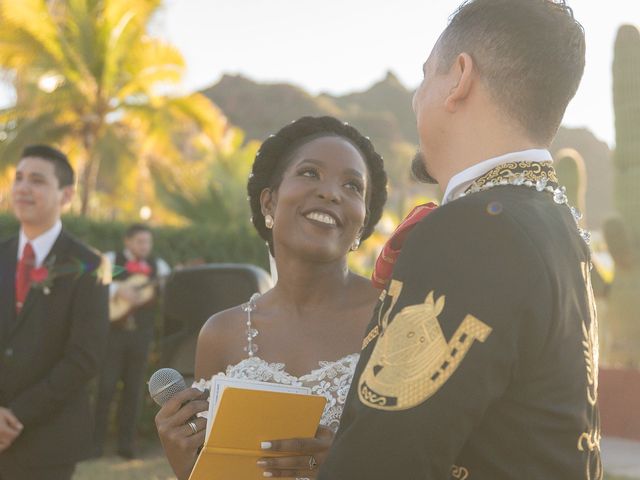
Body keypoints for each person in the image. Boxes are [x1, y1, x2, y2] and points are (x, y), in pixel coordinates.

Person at [320, 1, 603, 479]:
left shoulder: (475, 231)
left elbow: (385, 464)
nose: (415, 98)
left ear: (460, 78)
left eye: (427, 74)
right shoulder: (558, 224)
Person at [154, 116, 388, 480]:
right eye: (310, 173)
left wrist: (348, 466)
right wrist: (187, 467)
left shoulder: (394, 317)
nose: (331, 192)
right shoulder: (221, 334)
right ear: (269, 202)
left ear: (362, 223)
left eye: (353, 185)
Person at [0, 145, 110, 480]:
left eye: (36, 180)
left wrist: (16, 415)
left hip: (48, 440)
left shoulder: (90, 265)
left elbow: (84, 357)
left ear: (66, 195)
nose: (22, 187)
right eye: (19, 178)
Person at [94, 223, 171, 458]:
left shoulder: (158, 267)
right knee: (105, 387)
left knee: (135, 389)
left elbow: (168, 292)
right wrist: (117, 290)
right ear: (127, 241)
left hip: (141, 336)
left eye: (148, 242)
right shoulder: (111, 260)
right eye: (140, 242)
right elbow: (94, 284)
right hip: (113, 334)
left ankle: (126, 446)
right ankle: (94, 445)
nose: (145, 247)